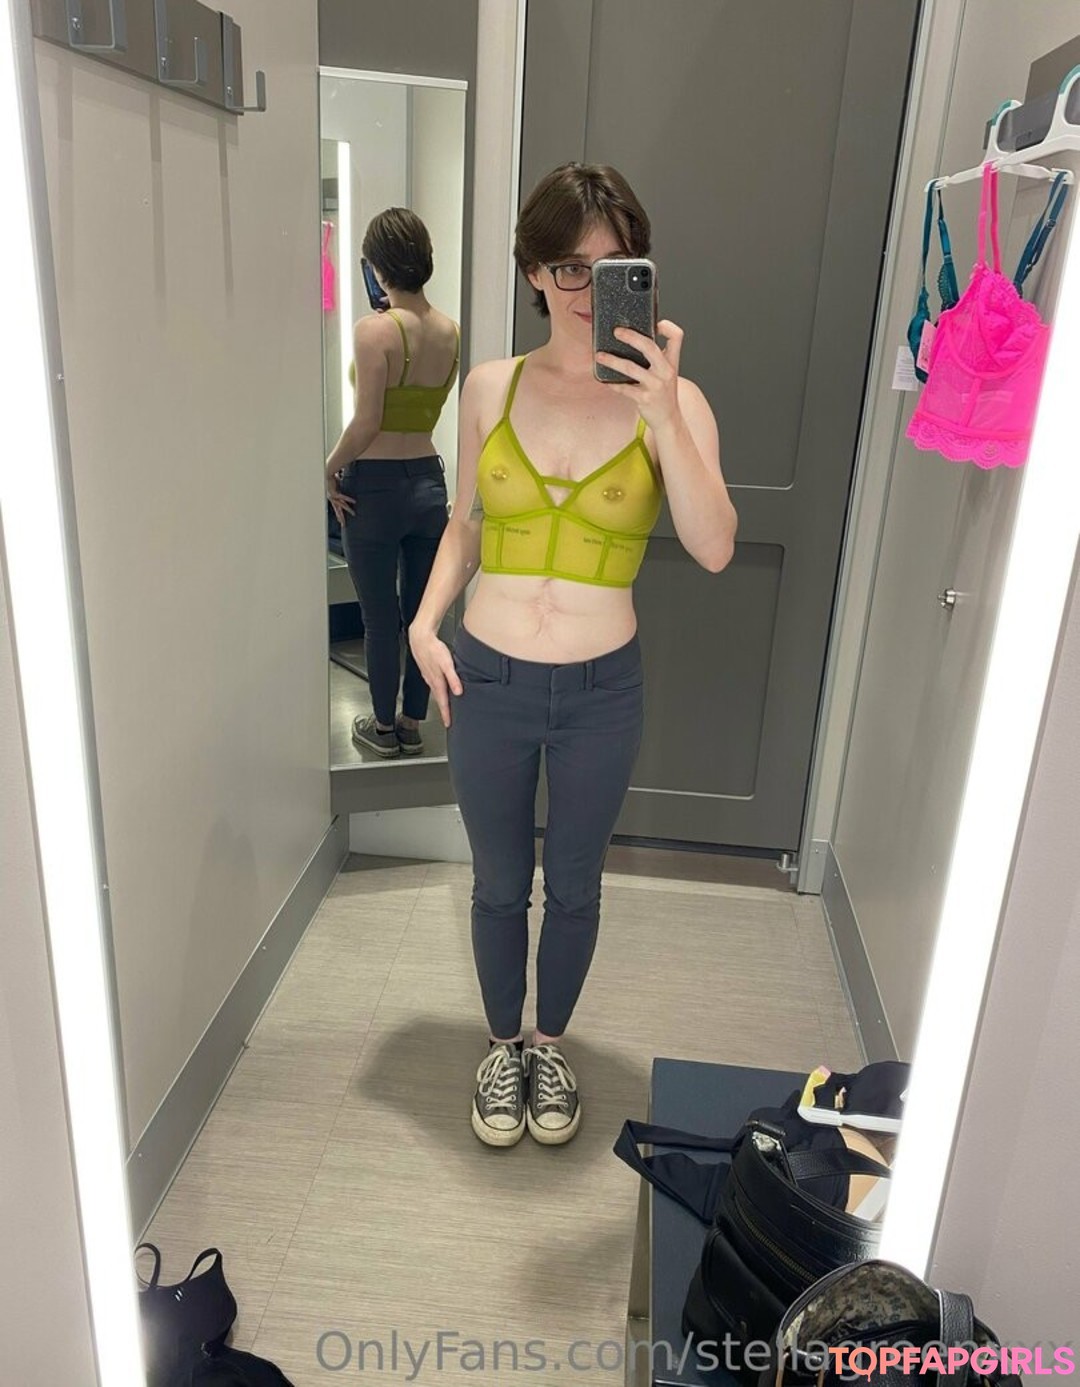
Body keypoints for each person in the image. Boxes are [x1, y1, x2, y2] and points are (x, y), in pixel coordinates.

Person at [409, 164, 737, 1147]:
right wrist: (424, 622)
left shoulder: (677, 402)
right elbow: (466, 527)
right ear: (535, 272)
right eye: (569, 267)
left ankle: (548, 1045)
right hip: (488, 676)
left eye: (615, 266)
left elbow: (715, 546)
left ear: (643, 270)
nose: (590, 290)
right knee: (498, 881)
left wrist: (662, 413)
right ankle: (501, 1046)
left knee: (578, 884)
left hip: (601, 691)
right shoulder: (489, 387)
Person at [325, 208, 460, 758]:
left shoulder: (375, 330)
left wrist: (327, 468)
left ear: (377, 266)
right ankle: (412, 723)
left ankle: (381, 730)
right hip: (428, 482)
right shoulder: (449, 331)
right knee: (422, 617)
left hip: (375, 488)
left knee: (380, 620)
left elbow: (366, 424)